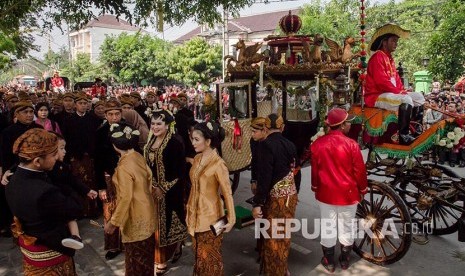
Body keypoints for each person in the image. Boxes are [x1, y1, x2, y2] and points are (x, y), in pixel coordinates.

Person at [6, 128, 82, 275]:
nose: (56, 158)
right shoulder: (45, 191)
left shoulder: (12, 180)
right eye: (54, 155)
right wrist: (67, 185)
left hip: (29, 250)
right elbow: (76, 209)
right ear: (37, 161)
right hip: (51, 251)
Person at [310, 108, 368, 272]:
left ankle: (329, 261)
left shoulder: (318, 144)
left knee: (328, 225)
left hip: (325, 193)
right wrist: (363, 189)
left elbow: (315, 171)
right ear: (342, 126)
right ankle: (344, 260)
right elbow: (360, 171)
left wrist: (315, 187)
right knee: (347, 226)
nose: (350, 124)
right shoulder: (351, 144)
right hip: (348, 194)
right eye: (348, 122)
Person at [104, 122, 156, 276]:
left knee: (135, 261)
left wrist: (113, 222)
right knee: (146, 259)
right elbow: (149, 178)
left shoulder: (124, 167)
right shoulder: (137, 156)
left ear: (115, 145)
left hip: (135, 218)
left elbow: (126, 197)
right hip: (147, 212)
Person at [251, 114, 298, 276]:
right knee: (284, 236)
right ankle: (283, 268)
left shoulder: (265, 146)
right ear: (282, 127)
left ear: (265, 128)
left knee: (272, 239)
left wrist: (257, 203)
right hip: (290, 198)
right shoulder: (290, 145)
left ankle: (275, 271)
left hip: (276, 200)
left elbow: (264, 178)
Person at [187, 121, 235, 276]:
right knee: (199, 257)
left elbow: (227, 193)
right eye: (192, 138)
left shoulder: (219, 164)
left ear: (208, 142)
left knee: (211, 259)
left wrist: (231, 218)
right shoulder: (196, 159)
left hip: (213, 219)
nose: (192, 142)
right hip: (194, 216)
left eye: (196, 139)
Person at [364, 23, 425, 145]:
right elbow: (382, 82)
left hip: (390, 94)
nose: (396, 44)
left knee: (419, 97)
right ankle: (403, 136)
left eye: (397, 41)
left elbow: (396, 80)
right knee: (406, 99)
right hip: (376, 96)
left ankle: (416, 130)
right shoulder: (377, 57)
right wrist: (401, 92)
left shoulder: (390, 59)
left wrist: (402, 90)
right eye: (394, 41)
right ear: (384, 42)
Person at [144, 109, 188, 275]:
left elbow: (180, 170)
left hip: (170, 191)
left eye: (159, 124)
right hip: (151, 191)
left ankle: (163, 258)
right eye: (153, 123)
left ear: (167, 125)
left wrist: (163, 188)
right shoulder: (151, 139)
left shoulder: (175, 142)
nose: (155, 127)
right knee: (155, 225)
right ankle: (165, 253)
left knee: (167, 224)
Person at [0, 101, 42, 237]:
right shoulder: (8, 132)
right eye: (26, 112)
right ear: (17, 114)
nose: (29, 115)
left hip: (38, 169)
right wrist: (8, 171)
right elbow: (5, 155)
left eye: (31, 112)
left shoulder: (38, 128)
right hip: (17, 170)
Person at [95, 100, 124, 260]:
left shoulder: (128, 129)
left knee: (127, 208)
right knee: (110, 211)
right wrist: (101, 187)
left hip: (126, 175)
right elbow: (97, 161)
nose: (114, 117)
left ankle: (127, 241)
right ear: (106, 115)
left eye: (117, 114)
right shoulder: (100, 132)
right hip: (108, 177)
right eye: (111, 114)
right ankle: (113, 246)